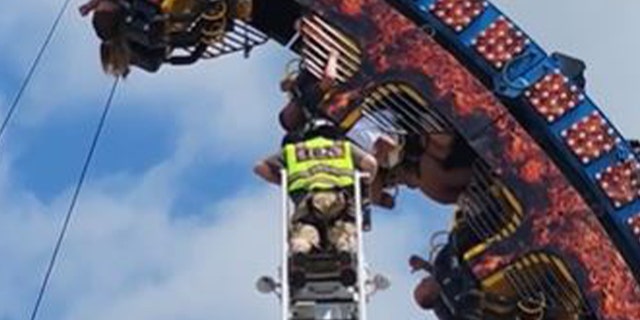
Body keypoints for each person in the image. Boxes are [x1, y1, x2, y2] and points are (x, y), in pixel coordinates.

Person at [254, 118, 378, 254]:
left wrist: (283, 182)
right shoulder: (344, 147)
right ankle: (344, 249)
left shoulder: (292, 150)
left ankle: (301, 249)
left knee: (305, 229)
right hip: (340, 199)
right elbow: (370, 163)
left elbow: (260, 168)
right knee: (343, 229)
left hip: (307, 202)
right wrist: (364, 186)